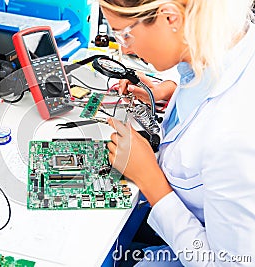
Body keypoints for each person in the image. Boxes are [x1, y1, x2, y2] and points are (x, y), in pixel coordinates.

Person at [100, 0, 255, 266]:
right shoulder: (231, 42)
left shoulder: (234, 135)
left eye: (125, 34)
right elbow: (209, 85)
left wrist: (150, 180)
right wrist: (172, 91)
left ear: (170, 18)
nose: (125, 49)